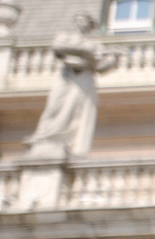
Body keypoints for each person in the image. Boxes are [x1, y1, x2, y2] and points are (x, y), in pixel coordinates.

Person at [25, 13, 119, 160]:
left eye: (84, 20)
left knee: (78, 111)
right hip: (66, 76)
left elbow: (101, 67)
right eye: (78, 20)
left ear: (90, 24)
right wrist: (85, 52)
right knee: (55, 106)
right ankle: (45, 136)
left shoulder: (95, 45)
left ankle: (73, 147)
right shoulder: (66, 36)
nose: (80, 22)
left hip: (84, 78)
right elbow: (58, 47)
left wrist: (114, 58)